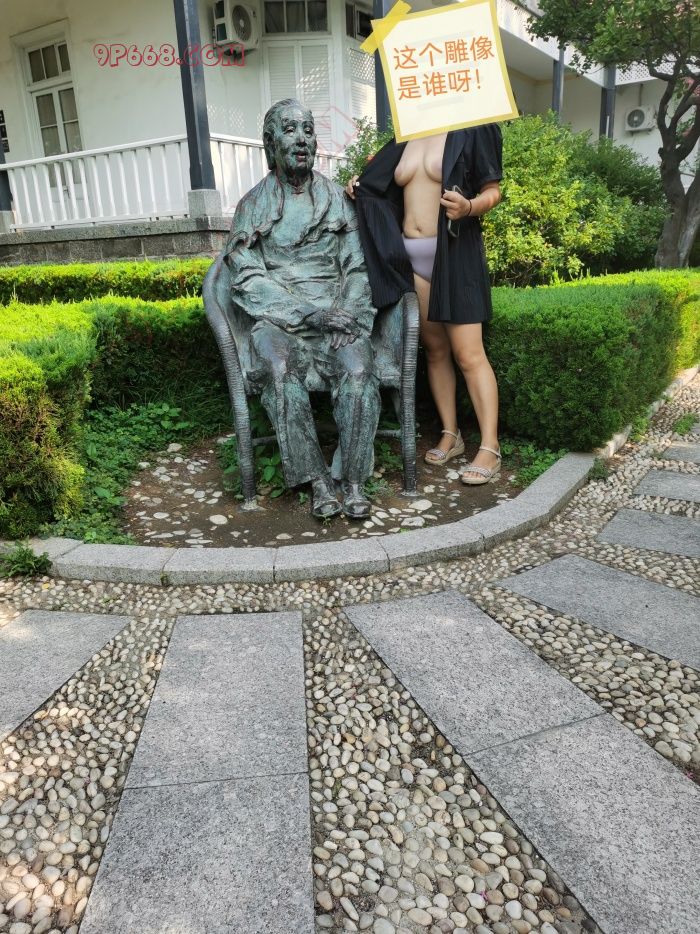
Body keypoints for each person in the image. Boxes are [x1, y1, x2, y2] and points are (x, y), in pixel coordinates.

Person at [223, 99, 380, 520]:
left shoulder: (337, 199)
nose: (302, 140)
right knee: (279, 368)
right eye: (290, 130)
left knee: (358, 368)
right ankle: (317, 481)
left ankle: (353, 480)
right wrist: (306, 313)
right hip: (279, 319)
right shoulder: (252, 205)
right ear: (270, 142)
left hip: (337, 317)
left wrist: (347, 313)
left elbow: (358, 266)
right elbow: (246, 276)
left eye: (308, 131)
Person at [346, 124, 503, 484]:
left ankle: (490, 447)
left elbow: (493, 191)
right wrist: (358, 186)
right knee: (435, 350)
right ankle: (451, 434)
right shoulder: (408, 132)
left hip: (454, 253)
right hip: (410, 256)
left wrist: (470, 206)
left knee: (469, 354)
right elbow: (382, 187)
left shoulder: (473, 128)